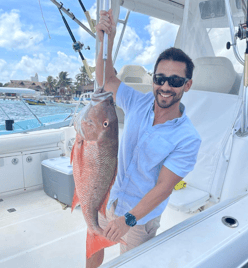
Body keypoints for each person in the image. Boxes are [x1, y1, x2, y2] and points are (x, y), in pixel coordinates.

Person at [89, 9, 202, 268]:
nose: (165, 87)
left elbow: (163, 188)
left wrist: (127, 219)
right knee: (93, 244)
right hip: (112, 197)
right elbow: (106, 79)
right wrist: (106, 39)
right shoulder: (137, 102)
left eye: (175, 81)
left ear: (187, 85)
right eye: (160, 78)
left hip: (140, 218)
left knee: (132, 264)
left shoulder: (188, 138)